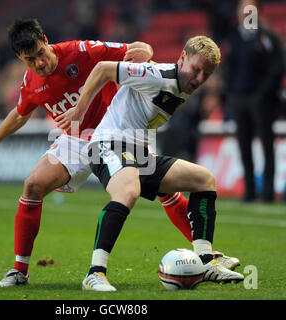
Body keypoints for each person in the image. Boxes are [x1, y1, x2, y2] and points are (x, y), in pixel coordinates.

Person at [0, 18, 204, 287]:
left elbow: (138, 47)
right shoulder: (31, 82)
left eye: (40, 53)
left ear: (46, 40)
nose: (40, 63)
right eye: (30, 59)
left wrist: (145, 51)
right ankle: (19, 271)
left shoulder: (81, 51)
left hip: (115, 132)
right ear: (20, 58)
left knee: (163, 190)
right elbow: (20, 114)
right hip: (75, 140)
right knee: (33, 186)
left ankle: (206, 257)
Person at [56, 35, 244, 291]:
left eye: (206, 75)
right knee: (128, 191)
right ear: (182, 58)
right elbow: (102, 69)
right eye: (196, 70)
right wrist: (79, 110)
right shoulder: (157, 76)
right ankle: (95, 273)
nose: (199, 79)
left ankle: (205, 260)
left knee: (204, 179)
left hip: (138, 153)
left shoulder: (183, 82)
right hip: (107, 145)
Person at [223, 0, 284, 202]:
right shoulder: (234, 37)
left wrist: (263, 93)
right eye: (242, 8)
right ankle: (249, 191)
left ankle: (267, 193)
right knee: (244, 145)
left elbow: (277, 68)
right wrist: (231, 92)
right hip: (240, 99)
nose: (244, 12)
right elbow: (229, 68)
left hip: (262, 100)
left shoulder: (267, 38)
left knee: (267, 145)